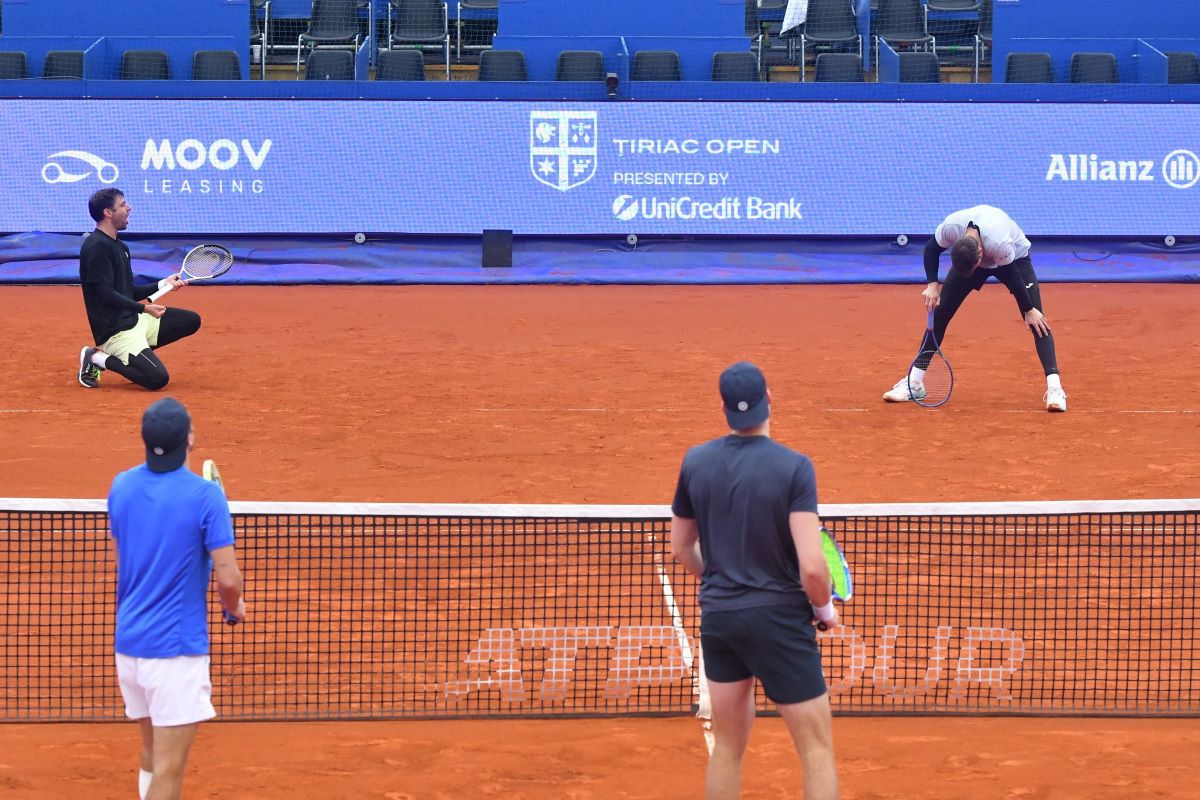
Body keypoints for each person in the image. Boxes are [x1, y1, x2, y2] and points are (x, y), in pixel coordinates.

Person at [670, 362, 840, 800]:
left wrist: (726, 576)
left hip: (721, 620)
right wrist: (824, 610)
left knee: (726, 747)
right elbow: (812, 568)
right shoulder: (795, 468)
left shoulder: (695, 462)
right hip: (779, 624)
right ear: (770, 399)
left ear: (723, 408)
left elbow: (682, 549)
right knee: (817, 750)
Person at [108, 397, 246, 800]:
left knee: (151, 755)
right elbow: (228, 575)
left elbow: (133, 553)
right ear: (190, 438)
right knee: (170, 771)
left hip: (129, 646)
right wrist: (233, 606)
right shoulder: (205, 497)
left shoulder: (122, 486)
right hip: (174, 653)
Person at [881, 204, 1068, 412]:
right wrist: (933, 285)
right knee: (940, 314)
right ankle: (914, 383)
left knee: (1037, 320)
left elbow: (1012, 275)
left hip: (1015, 262)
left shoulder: (998, 243)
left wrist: (1028, 309)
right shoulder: (951, 227)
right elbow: (931, 249)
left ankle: (1055, 389)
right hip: (972, 261)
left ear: (980, 253)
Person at [77, 188, 201, 390]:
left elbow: (128, 291)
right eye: (123, 205)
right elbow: (105, 294)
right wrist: (144, 309)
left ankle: (136, 356)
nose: (129, 208)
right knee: (157, 379)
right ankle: (98, 358)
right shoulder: (96, 247)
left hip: (135, 322)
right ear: (108, 212)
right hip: (115, 331)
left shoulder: (120, 247)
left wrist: (164, 284)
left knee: (191, 320)